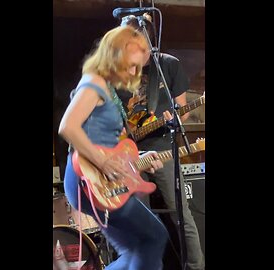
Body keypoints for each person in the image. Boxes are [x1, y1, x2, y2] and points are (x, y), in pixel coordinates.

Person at [58, 26, 169, 270]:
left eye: (137, 68)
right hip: (89, 179)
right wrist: (103, 161)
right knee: (155, 237)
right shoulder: (94, 84)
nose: (132, 72)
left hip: (97, 177)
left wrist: (139, 157)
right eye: (130, 65)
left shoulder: (106, 87)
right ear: (115, 55)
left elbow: (106, 141)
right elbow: (68, 127)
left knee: (136, 249)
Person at [117, 14, 205, 270]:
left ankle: (196, 266)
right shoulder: (120, 71)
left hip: (163, 150)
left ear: (145, 38)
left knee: (181, 216)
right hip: (130, 154)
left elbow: (183, 110)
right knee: (138, 219)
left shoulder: (167, 65)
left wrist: (172, 119)